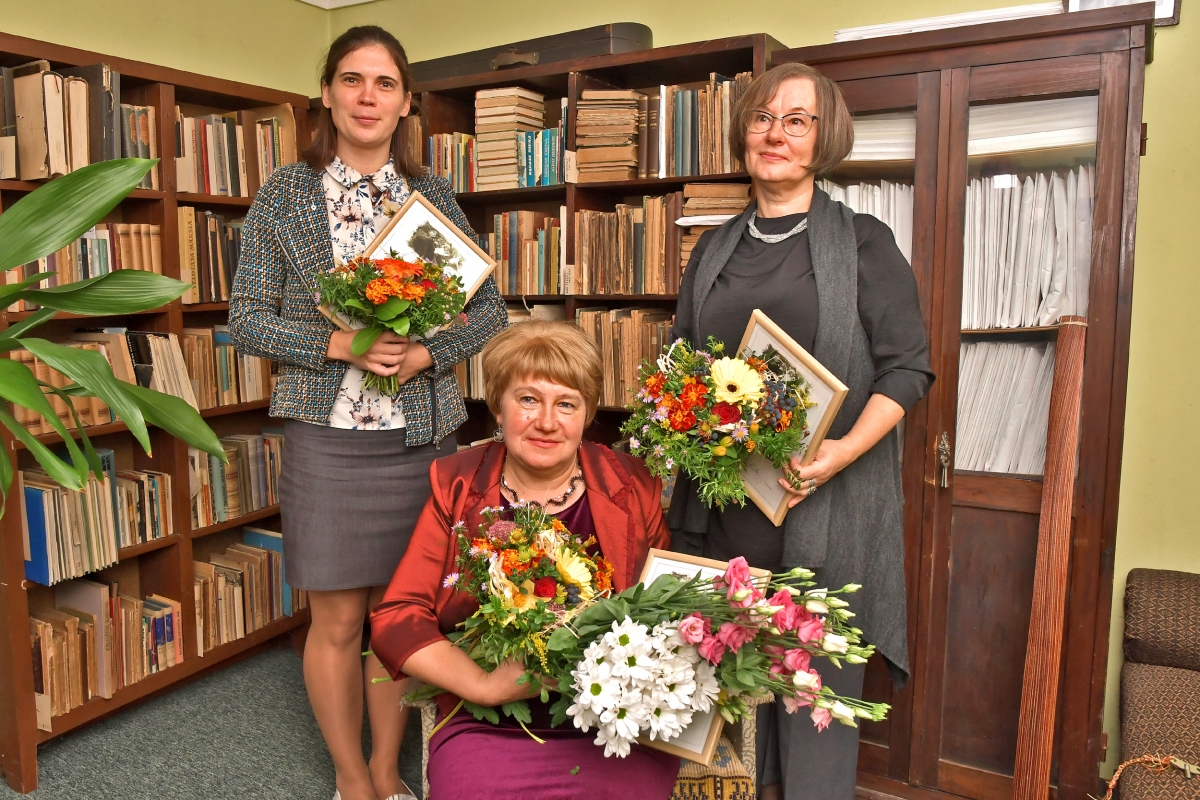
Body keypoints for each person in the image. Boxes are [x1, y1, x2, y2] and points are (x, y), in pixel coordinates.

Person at [228, 26, 506, 800]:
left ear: (406, 102)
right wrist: (338, 343)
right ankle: (352, 777)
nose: (367, 97)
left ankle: (388, 769)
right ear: (327, 93)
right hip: (327, 443)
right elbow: (246, 319)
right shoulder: (286, 193)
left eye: (385, 83)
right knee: (338, 623)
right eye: (352, 79)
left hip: (419, 442)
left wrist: (428, 355)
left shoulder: (433, 196)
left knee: (400, 619)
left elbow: (491, 311)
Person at [668, 63, 935, 800]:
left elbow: (908, 368)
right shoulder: (713, 248)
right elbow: (684, 361)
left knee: (812, 710)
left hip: (825, 511)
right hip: (725, 515)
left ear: (824, 137)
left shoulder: (864, 243)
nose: (774, 134)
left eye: (795, 120)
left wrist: (842, 452)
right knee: (729, 716)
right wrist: (686, 420)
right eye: (762, 117)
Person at [369, 321, 680, 800]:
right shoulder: (457, 485)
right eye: (528, 399)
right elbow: (397, 617)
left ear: (587, 413)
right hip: (488, 717)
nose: (547, 422)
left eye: (567, 404)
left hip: (613, 716)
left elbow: (666, 608)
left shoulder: (633, 484)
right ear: (498, 406)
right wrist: (482, 685)